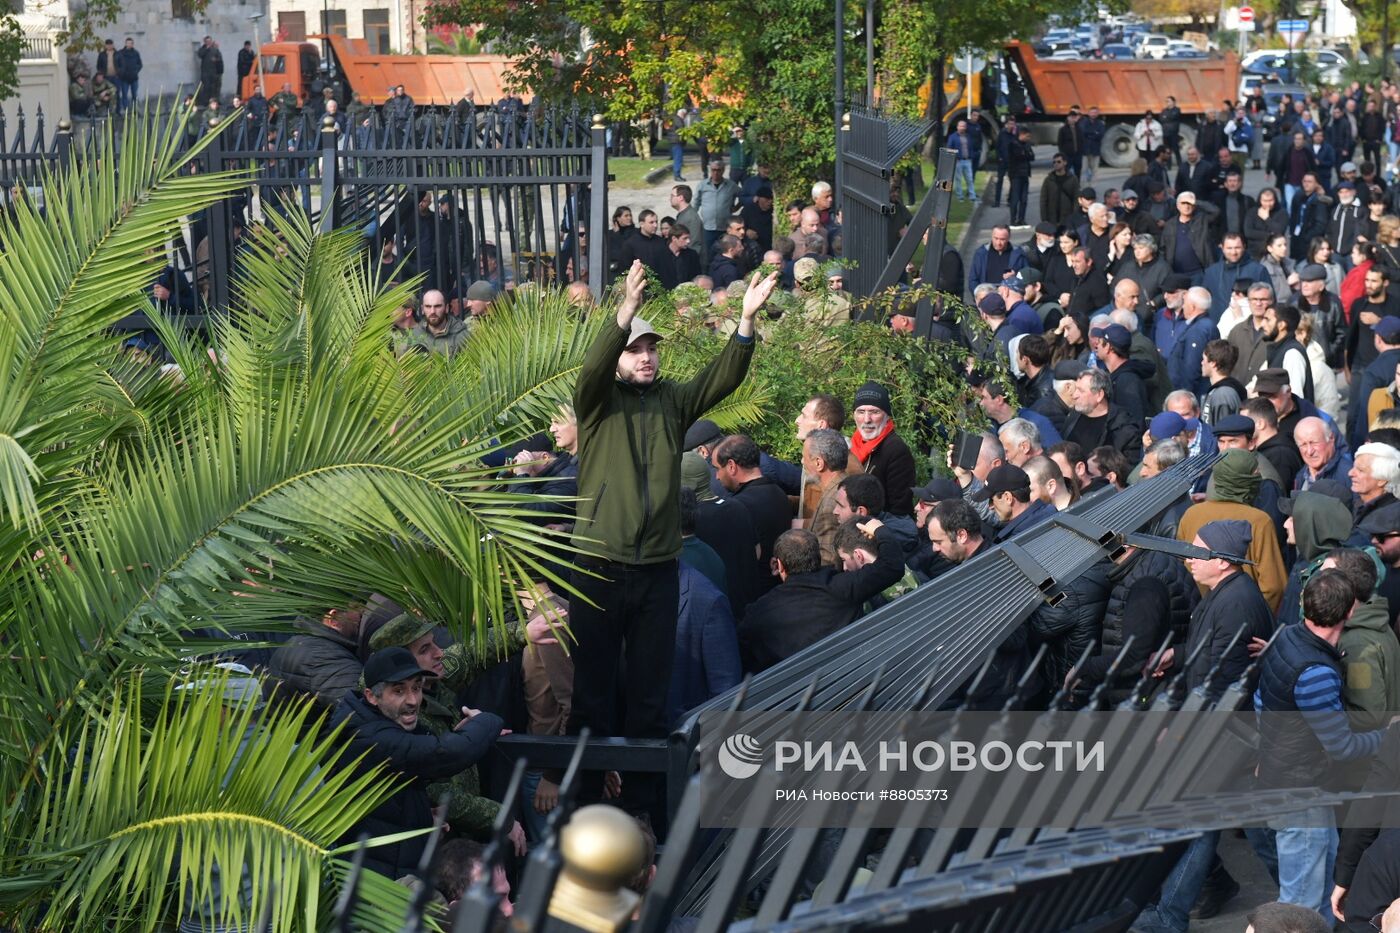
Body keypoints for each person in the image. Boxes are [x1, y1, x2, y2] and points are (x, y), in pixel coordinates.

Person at [567, 260, 777, 813]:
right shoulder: (597, 403)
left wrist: (746, 322)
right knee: (591, 695)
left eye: (651, 349)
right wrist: (622, 316)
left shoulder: (672, 401)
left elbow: (722, 379)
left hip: (659, 567)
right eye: (636, 349)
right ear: (619, 357)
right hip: (598, 565)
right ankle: (586, 806)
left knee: (649, 698)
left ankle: (642, 811)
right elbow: (588, 372)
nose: (646, 356)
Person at [1134, 520, 1276, 933]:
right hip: (1223, 734)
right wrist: (1176, 655)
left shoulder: (1235, 603)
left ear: (1223, 562)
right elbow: (1208, 652)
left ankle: (1170, 914)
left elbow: (1223, 681)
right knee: (1230, 824)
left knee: (1203, 822)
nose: (1189, 559)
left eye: (1198, 553)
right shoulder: (1225, 595)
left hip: (1222, 735)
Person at [1256, 570, 1384, 920]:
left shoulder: (1286, 638)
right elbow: (1341, 747)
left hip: (1291, 780)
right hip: (1300, 792)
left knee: (1324, 889)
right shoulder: (1316, 672)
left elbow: (1259, 699)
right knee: (1301, 907)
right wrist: (1389, 736)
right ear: (1350, 612)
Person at [332, 647, 506, 880]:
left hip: (392, 869)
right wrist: (485, 721)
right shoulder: (371, 737)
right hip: (377, 884)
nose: (413, 700)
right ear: (371, 696)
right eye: (399, 691)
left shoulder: (374, 723)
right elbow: (448, 754)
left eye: (416, 687)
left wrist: (422, 817)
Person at [736, 521, 904, 672]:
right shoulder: (844, 587)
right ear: (817, 558)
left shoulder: (759, 612)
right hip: (848, 682)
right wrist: (879, 530)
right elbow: (892, 566)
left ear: (778, 564)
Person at [849, 381, 916, 517]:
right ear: (854, 415)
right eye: (861, 412)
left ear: (887, 416)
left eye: (874, 412)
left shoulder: (896, 451)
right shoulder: (850, 446)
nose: (867, 419)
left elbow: (900, 510)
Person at [1062, 366, 1143, 462]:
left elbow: (1127, 467)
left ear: (1099, 395)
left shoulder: (1123, 429)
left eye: (1081, 391)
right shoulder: (1074, 416)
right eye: (1076, 389)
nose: (1074, 395)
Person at [977, 464, 1055, 543]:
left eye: (991, 500)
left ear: (1008, 498)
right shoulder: (1052, 512)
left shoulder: (1015, 541)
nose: (990, 507)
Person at [1040, 152, 1080, 227]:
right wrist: (1044, 219)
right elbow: (1043, 200)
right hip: (1052, 219)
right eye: (1054, 162)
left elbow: (1076, 199)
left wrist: (1074, 216)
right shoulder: (1048, 180)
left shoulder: (1072, 179)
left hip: (1067, 218)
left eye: (1059, 162)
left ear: (1065, 163)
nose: (1056, 164)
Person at [114, 38, 142, 113]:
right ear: (125, 43)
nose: (129, 44)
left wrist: (135, 71)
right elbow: (116, 64)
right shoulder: (120, 53)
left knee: (134, 95)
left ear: (133, 44)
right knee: (124, 95)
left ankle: (135, 109)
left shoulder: (136, 53)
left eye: (131, 43)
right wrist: (120, 72)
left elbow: (140, 64)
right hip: (124, 78)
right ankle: (125, 109)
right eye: (128, 43)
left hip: (134, 78)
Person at [196, 36, 223, 107]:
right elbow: (200, 55)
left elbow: (219, 58)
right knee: (206, 88)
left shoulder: (214, 49)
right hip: (205, 73)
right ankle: (206, 103)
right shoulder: (202, 49)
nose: (209, 43)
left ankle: (214, 102)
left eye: (210, 41)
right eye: (207, 41)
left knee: (214, 88)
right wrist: (207, 48)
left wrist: (216, 60)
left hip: (213, 73)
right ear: (205, 42)